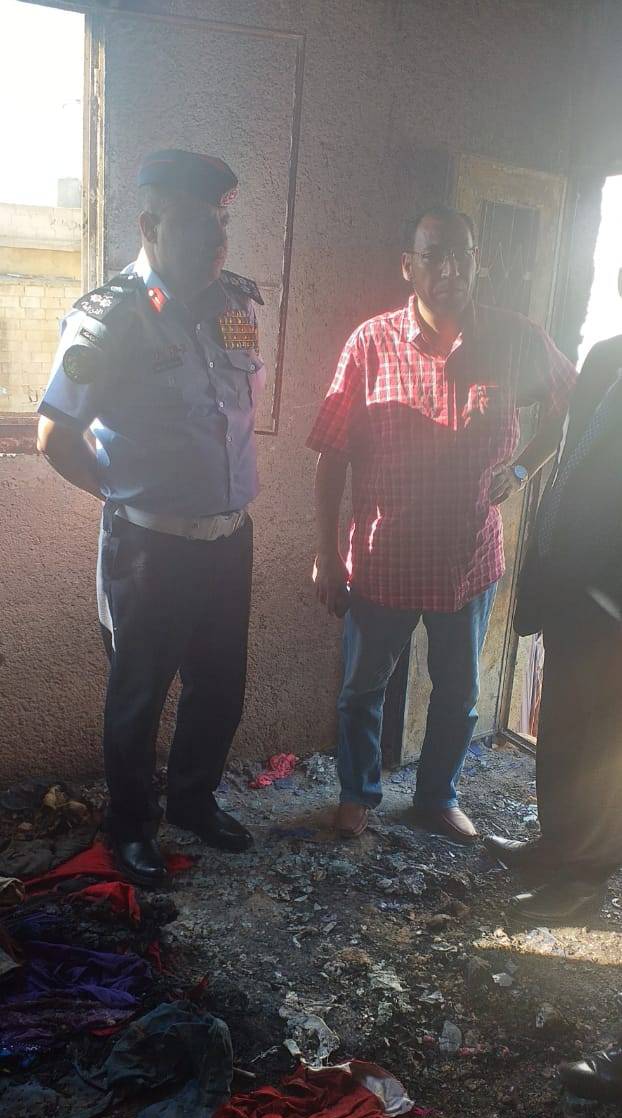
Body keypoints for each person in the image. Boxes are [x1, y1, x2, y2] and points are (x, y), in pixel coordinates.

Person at [308, 205, 575, 841]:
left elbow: (571, 403)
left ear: (479, 262)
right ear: (409, 266)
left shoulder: (514, 337)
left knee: (458, 695)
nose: (450, 270)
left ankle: (437, 797)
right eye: (434, 256)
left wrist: (522, 470)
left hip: (467, 561)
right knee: (361, 690)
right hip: (384, 561)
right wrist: (327, 553)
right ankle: (358, 794)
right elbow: (331, 456)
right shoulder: (371, 344)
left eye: (461, 255)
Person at [37, 149, 266, 886]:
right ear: (150, 225)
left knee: (219, 686)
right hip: (150, 548)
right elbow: (55, 437)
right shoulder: (110, 319)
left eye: (222, 220)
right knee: (138, 696)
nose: (217, 237)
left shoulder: (235, 307)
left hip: (229, 539)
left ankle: (194, 801)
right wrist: (125, 497)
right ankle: (131, 828)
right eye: (198, 221)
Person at [484, 318, 622, 924]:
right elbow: (571, 459)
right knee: (564, 727)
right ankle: (558, 845)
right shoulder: (605, 356)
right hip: (572, 587)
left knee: (607, 745)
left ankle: (585, 883)